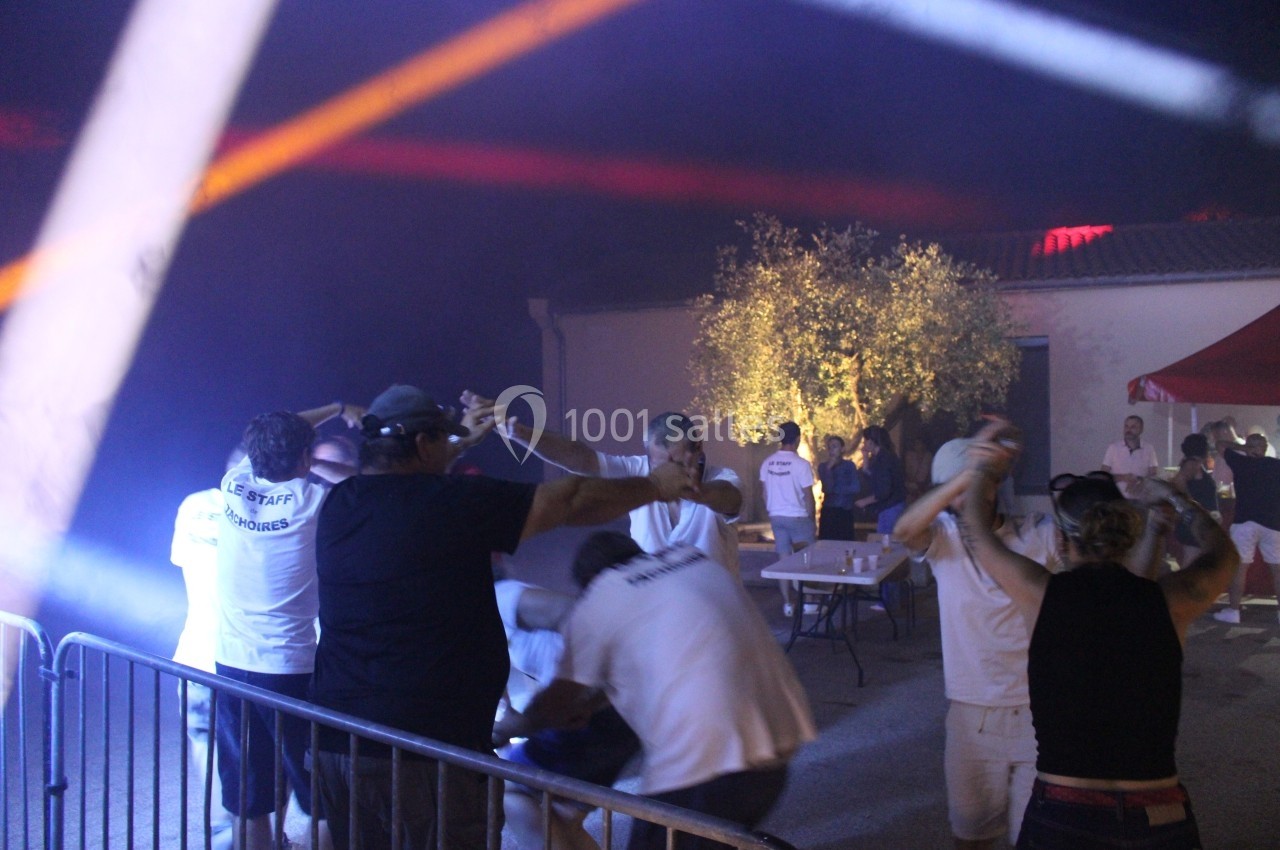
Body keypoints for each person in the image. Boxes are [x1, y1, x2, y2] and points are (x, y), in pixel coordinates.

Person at [309, 386, 694, 850]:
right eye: (441, 440)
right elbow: (570, 498)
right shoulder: (451, 503)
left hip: (343, 743)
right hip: (426, 751)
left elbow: (404, 489)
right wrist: (655, 485)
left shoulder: (341, 502)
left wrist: (456, 444)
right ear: (424, 445)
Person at [959, 426, 1238, 850]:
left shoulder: (1041, 594)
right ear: (1127, 532)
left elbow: (975, 532)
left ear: (1061, 539)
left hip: (1064, 809)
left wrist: (982, 468)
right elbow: (1225, 554)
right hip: (1158, 810)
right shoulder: (1167, 601)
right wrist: (1177, 497)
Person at [496, 532, 815, 850]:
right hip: (776, 753)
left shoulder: (601, 597)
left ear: (590, 581)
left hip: (706, 767)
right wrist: (591, 702)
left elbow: (553, 705)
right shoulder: (693, 560)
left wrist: (508, 729)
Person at [892, 433, 1060, 850]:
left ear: (996, 485)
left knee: (1034, 837)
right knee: (971, 836)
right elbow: (904, 530)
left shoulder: (1038, 535)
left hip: (1039, 712)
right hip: (971, 715)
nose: (964, 500)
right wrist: (969, 475)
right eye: (955, 491)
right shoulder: (945, 538)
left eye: (977, 486)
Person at [215, 401, 361, 850]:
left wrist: (320, 422)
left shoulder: (234, 484)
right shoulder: (314, 501)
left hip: (230, 666)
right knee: (324, 800)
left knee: (250, 799)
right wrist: (338, 414)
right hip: (289, 671)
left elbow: (261, 437)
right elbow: (364, 482)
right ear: (304, 457)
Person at [500, 411, 744, 578]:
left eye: (678, 463)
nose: (669, 472)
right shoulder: (638, 470)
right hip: (654, 612)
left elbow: (730, 498)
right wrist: (520, 433)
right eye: (660, 465)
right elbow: (583, 459)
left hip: (717, 612)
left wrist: (697, 492)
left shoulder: (723, 477)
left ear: (698, 448)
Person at [494, 579, 640, 850]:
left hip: (591, 712)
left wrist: (542, 712)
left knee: (511, 791)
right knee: (562, 817)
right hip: (615, 711)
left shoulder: (501, 597)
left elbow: (576, 615)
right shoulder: (487, 619)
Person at [170, 446, 246, 850]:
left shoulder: (194, 504)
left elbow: (183, 560)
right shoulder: (262, 516)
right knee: (257, 761)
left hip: (193, 655)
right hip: (241, 663)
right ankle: (250, 835)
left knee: (207, 746)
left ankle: (223, 833)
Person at [1212, 425, 1280, 624]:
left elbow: (1220, 444)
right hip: (1272, 523)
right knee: (1277, 569)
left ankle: (1234, 611)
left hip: (1244, 522)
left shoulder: (1240, 461)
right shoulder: (1276, 465)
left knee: (1240, 568)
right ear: (1266, 448)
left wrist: (1242, 448)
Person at [760, 421, 816, 616]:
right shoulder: (801, 465)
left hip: (777, 516)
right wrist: (812, 520)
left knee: (783, 561)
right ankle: (808, 602)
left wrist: (772, 509)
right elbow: (808, 496)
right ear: (798, 439)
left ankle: (787, 604)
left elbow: (764, 493)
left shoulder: (767, 463)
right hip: (798, 517)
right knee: (806, 561)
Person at [1171, 433, 1218, 570]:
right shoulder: (1192, 465)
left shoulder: (1191, 463)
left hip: (1195, 522)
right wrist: (1196, 508)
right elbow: (1179, 482)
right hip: (1195, 524)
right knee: (1192, 564)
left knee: (1194, 563)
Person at [854, 425, 907, 536]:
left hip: (891, 507)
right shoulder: (882, 457)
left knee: (886, 540)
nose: (864, 444)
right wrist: (865, 457)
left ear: (871, 442)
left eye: (865, 441)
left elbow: (884, 490)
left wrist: (865, 501)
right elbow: (872, 475)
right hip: (889, 507)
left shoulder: (883, 459)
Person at [1100, 414, 1158, 499]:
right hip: (1117, 499)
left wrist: (1140, 482)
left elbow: (1153, 474)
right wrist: (1123, 477)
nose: (1128, 430)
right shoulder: (1113, 448)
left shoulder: (1149, 448)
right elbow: (1103, 475)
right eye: (1126, 426)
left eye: (1133, 427)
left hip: (1140, 499)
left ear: (1141, 429)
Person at [817, 434, 860, 541]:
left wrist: (837, 489)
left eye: (835, 446)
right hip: (829, 510)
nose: (832, 450)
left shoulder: (849, 465)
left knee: (845, 543)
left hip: (845, 510)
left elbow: (855, 487)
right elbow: (827, 488)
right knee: (827, 543)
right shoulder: (823, 467)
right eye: (829, 447)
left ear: (842, 449)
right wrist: (829, 470)